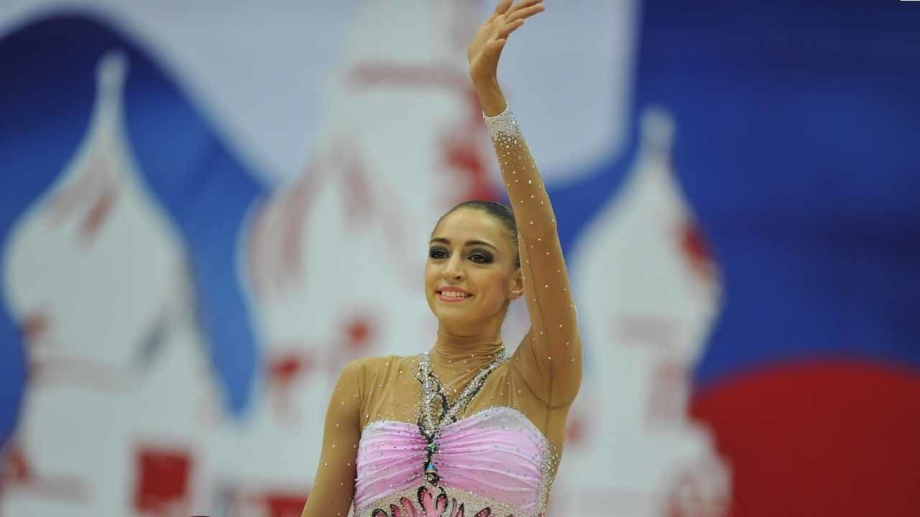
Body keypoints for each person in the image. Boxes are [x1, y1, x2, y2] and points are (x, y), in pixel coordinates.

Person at [300, 1, 581, 515]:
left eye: (479, 256)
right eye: (439, 252)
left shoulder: (541, 379)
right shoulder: (364, 383)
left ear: (518, 281)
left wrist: (489, 95)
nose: (453, 268)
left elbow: (539, 233)